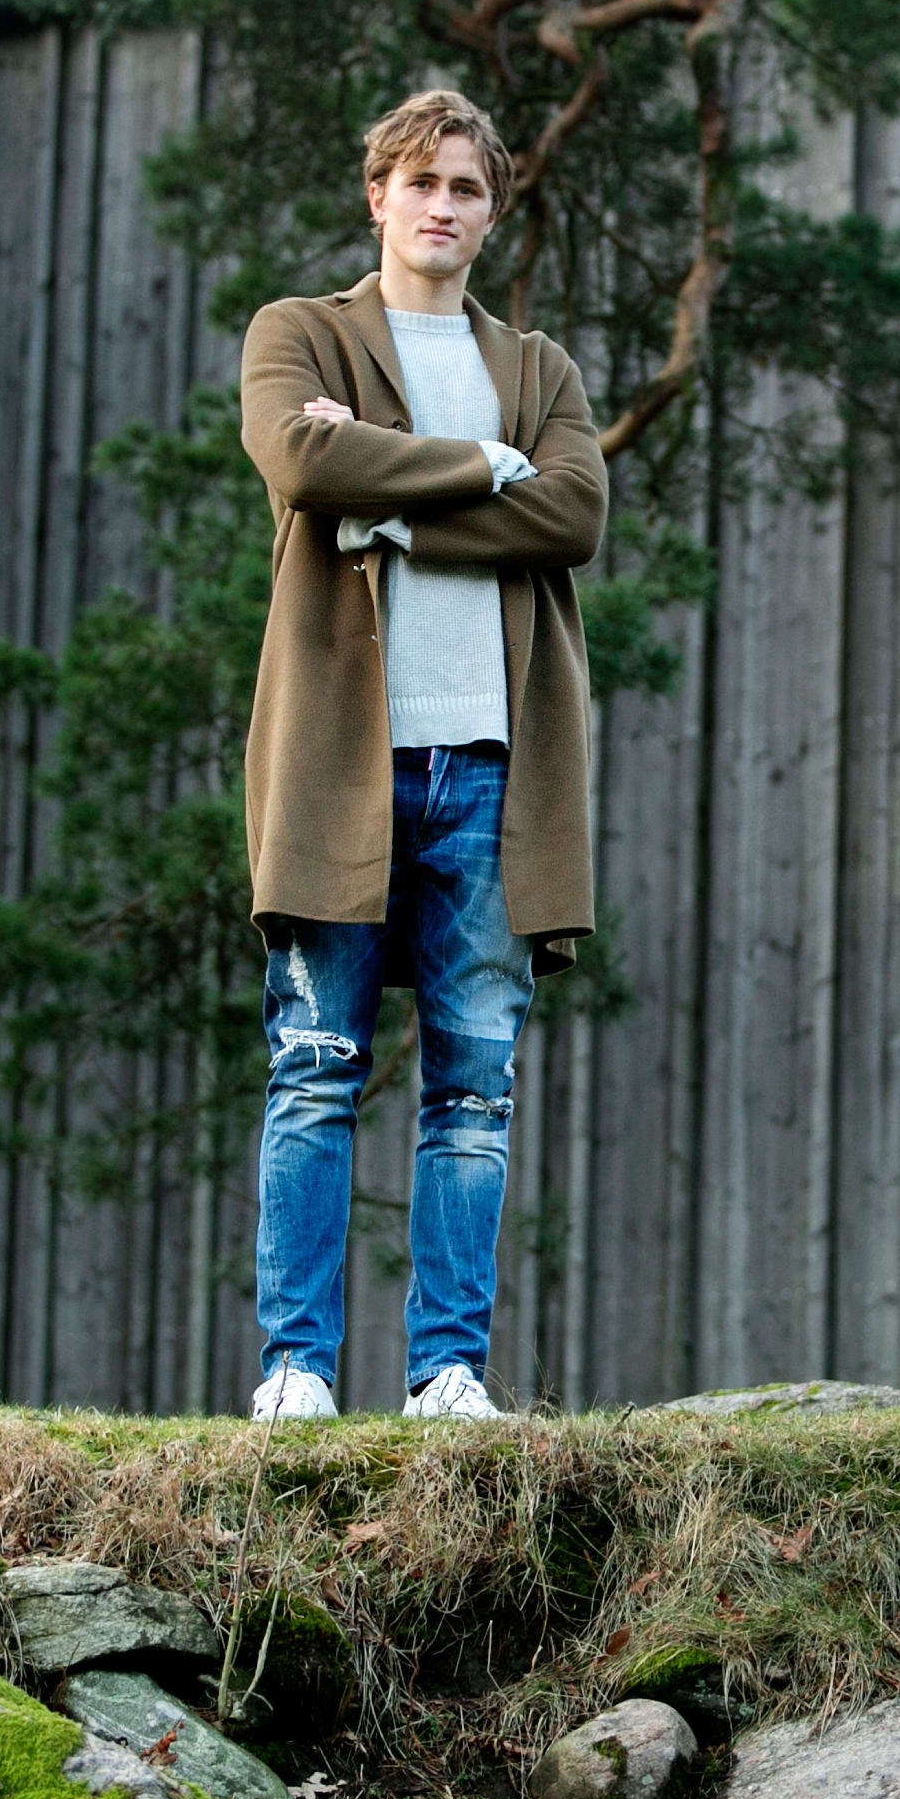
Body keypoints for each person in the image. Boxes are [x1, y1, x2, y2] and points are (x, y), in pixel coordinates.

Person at [235, 89, 606, 1422]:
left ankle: (448, 1374)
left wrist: (387, 502)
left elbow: (572, 516)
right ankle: (296, 1371)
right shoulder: (301, 333)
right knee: (313, 1067)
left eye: (467, 188)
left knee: (473, 1091)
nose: (443, 205)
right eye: (421, 182)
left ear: (491, 213)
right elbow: (297, 458)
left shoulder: (539, 370)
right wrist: (478, 468)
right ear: (377, 196)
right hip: (341, 762)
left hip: (493, 771)